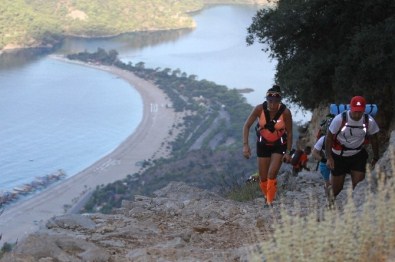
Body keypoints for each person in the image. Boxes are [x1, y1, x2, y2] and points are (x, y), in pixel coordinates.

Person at [242, 85, 293, 207]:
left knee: (272, 174)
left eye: (276, 101)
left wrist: (288, 151)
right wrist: (245, 145)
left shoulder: (285, 112)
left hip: (279, 145)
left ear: (280, 101)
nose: (273, 104)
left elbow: (290, 132)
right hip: (262, 144)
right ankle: (267, 196)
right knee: (263, 178)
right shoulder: (259, 109)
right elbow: (246, 126)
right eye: (270, 101)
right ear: (266, 99)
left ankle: (269, 202)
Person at [325, 96, 380, 201]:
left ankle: (356, 208)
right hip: (338, 156)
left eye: (360, 112)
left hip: (357, 155)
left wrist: (376, 157)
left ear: (364, 110)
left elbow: (374, 139)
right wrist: (329, 157)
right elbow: (329, 138)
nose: (357, 114)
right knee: (337, 188)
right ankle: (330, 200)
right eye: (355, 111)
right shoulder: (340, 119)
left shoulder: (369, 121)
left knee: (359, 185)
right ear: (351, 108)